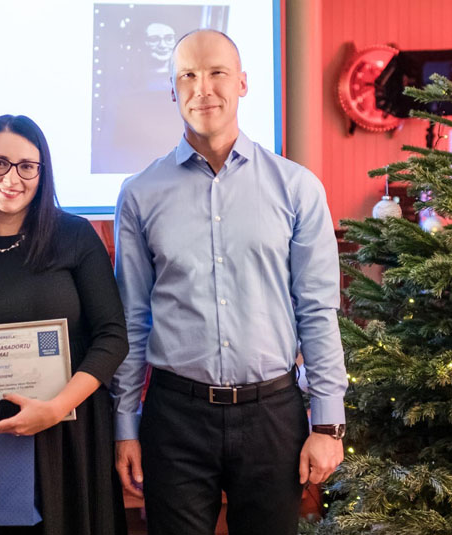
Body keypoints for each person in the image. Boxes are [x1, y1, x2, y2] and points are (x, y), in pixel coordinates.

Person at [112, 29, 348, 534]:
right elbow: (132, 319)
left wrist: (328, 422)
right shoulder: (139, 195)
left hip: (273, 415)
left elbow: (317, 309)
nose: (203, 88)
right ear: (173, 90)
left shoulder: (297, 188)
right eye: (188, 76)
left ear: (242, 82)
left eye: (217, 72)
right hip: (175, 417)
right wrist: (124, 425)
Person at [0, 114, 128, 535]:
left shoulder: (75, 237)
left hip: (67, 439)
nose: (11, 178)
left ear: (42, 172)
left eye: (26, 166)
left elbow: (112, 337)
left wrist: (56, 409)